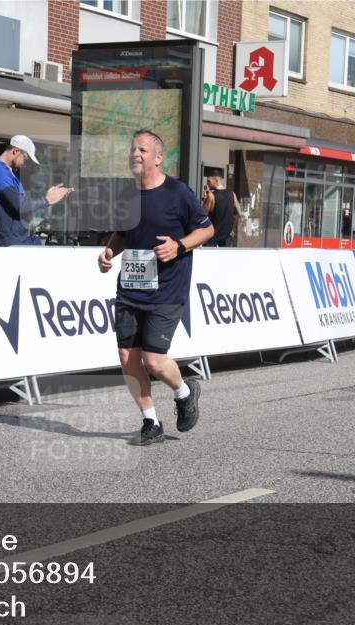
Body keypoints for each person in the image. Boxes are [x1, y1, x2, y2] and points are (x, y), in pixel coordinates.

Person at [97, 129, 214, 446]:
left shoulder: (179, 193)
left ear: (158, 158)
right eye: (133, 149)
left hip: (167, 291)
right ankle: (151, 421)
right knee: (126, 357)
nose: (135, 154)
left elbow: (206, 230)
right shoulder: (127, 195)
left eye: (143, 150)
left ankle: (185, 391)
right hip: (130, 289)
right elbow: (122, 234)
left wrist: (179, 246)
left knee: (153, 360)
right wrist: (109, 253)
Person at [0, 135, 73, 246]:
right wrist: (46, 199)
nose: (25, 164)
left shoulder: (7, 173)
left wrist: (49, 197)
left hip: (14, 241)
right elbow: (20, 205)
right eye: (26, 159)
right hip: (8, 245)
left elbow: (22, 206)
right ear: (15, 151)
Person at [204, 170, 241, 247]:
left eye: (209, 181)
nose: (207, 183)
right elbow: (239, 212)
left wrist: (205, 200)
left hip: (212, 237)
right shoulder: (232, 194)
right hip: (227, 236)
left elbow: (203, 214)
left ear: (216, 180)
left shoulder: (211, 196)